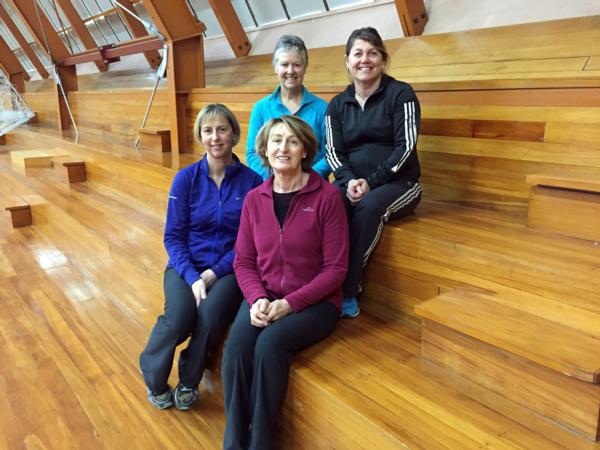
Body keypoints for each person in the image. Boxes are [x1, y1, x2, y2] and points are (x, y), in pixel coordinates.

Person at [222, 115, 349, 450]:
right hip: (264, 296)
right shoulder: (254, 199)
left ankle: (261, 443)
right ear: (265, 149)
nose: (283, 147)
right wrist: (256, 297)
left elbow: (336, 270)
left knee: (268, 346)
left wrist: (290, 304)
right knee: (236, 349)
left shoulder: (327, 197)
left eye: (292, 141)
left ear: (305, 150)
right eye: (276, 140)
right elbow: (244, 261)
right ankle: (234, 442)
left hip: (315, 303)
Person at [139, 104, 262, 410]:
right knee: (178, 319)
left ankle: (189, 380)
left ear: (233, 133)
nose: (215, 137)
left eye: (222, 129)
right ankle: (154, 379)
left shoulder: (252, 183)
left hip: (230, 268)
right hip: (185, 266)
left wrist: (215, 272)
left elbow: (249, 242)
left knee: (210, 317)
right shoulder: (186, 179)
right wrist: (193, 276)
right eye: (208, 130)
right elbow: (173, 236)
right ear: (200, 136)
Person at [325, 27, 422, 318]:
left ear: (382, 58)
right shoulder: (337, 105)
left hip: (399, 183)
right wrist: (349, 181)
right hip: (353, 182)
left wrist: (372, 182)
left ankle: (347, 291)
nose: (364, 60)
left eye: (372, 53)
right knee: (328, 202)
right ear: (347, 61)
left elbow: (406, 148)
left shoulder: (401, 94)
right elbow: (333, 153)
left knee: (367, 209)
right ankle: (317, 282)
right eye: (358, 53)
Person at [245, 34, 330, 180]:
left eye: (297, 64)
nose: (290, 71)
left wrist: (304, 179)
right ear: (276, 67)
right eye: (284, 65)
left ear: (305, 67)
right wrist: (275, 179)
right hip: (272, 186)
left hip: (312, 186)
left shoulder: (323, 108)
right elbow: (252, 153)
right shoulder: (261, 108)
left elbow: (329, 154)